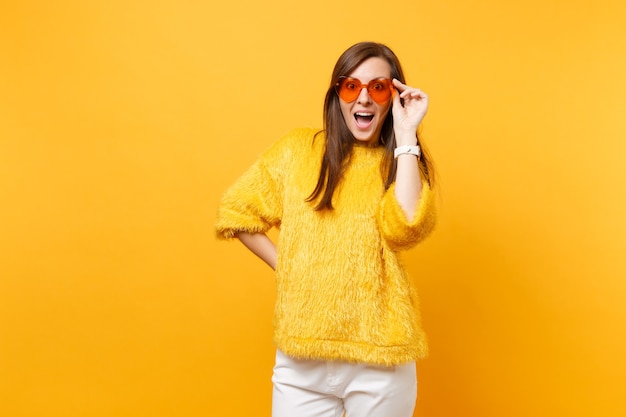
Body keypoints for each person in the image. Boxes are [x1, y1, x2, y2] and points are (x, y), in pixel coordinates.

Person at [215, 41, 436, 417]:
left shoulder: (398, 163)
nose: (363, 98)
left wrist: (407, 137)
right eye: (352, 86)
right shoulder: (298, 150)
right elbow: (236, 212)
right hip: (302, 359)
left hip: (380, 357)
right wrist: (289, 265)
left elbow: (407, 228)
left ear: (392, 96)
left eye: (378, 87)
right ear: (337, 93)